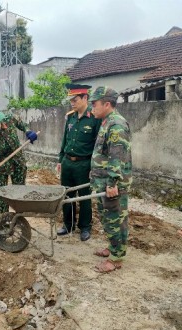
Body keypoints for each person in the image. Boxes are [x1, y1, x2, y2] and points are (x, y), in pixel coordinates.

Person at [89, 86, 132, 273]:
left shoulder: (116, 125)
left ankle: (116, 258)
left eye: (94, 103)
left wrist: (113, 182)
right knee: (107, 218)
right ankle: (112, 247)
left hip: (112, 184)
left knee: (116, 218)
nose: (92, 107)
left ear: (107, 104)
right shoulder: (106, 122)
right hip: (103, 182)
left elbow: (117, 156)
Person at [57, 84, 102, 241]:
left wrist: (93, 166)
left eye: (75, 100)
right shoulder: (71, 116)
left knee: (84, 197)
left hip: (84, 164)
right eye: (71, 100)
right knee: (67, 195)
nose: (72, 103)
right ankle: (68, 225)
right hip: (68, 162)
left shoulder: (95, 119)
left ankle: (85, 227)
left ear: (85, 98)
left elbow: (98, 145)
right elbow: (65, 139)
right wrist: (61, 159)